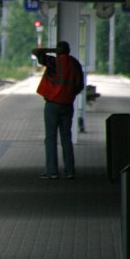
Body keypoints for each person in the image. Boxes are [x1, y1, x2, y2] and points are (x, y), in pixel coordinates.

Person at [32, 41, 84, 179]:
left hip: (52, 105)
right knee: (66, 138)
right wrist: (69, 94)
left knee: (50, 138)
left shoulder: (54, 62)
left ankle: (52, 171)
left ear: (58, 51)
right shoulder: (75, 64)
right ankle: (70, 171)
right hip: (68, 105)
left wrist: (53, 51)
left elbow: (35, 51)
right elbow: (80, 86)